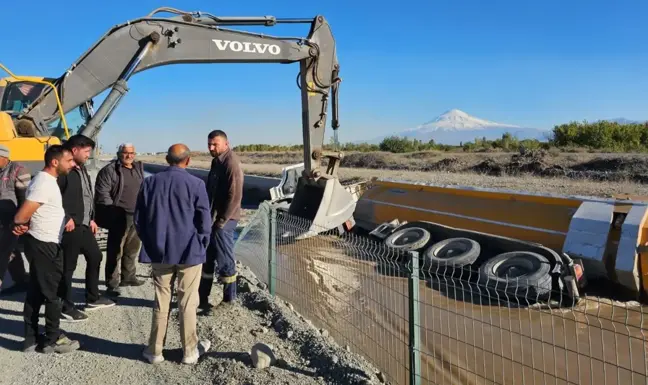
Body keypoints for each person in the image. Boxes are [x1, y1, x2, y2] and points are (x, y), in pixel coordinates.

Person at [134, 143, 212, 365]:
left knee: (161, 300)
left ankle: (155, 351)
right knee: (187, 302)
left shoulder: (149, 183)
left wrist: (151, 242)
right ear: (187, 161)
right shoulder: (196, 184)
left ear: (167, 160)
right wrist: (201, 244)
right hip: (190, 253)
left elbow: (139, 220)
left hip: (159, 253)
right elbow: (204, 222)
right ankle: (189, 352)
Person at [13, 144, 80, 353]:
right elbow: (21, 215)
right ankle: (53, 339)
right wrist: (22, 223)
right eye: (69, 160)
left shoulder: (48, 181)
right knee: (53, 294)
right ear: (54, 162)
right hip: (44, 245)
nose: (73, 164)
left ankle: (30, 339)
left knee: (35, 291)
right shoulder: (44, 183)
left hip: (42, 242)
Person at [58, 135, 115, 322]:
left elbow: (86, 195)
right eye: (87, 151)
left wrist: (92, 218)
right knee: (68, 266)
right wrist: (65, 217)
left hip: (84, 224)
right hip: (70, 226)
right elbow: (54, 196)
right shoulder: (64, 169)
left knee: (95, 255)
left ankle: (92, 298)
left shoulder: (80, 168)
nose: (89, 155)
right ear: (75, 150)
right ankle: (64, 306)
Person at [198, 129, 244, 316]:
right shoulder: (216, 161)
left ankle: (229, 299)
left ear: (226, 143)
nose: (211, 147)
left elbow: (235, 195)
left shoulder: (231, 163)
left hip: (224, 221)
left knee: (225, 260)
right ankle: (202, 297)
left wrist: (222, 220)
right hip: (212, 219)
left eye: (215, 144)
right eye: (209, 144)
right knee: (207, 259)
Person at [94, 142, 145, 297]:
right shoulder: (109, 171)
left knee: (132, 249)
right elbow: (103, 193)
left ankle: (128, 277)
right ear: (119, 153)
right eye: (125, 152)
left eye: (131, 153)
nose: (129, 156)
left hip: (136, 215)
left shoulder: (137, 169)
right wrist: (112, 212)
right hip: (119, 216)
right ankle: (112, 283)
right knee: (115, 251)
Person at [0, 144, 30, 295]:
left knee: (7, 250)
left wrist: (20, 220)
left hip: (14, 220)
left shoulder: (18, 170)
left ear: (4, 157)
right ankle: (20, 280)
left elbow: (25, 199)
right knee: (11, 251)